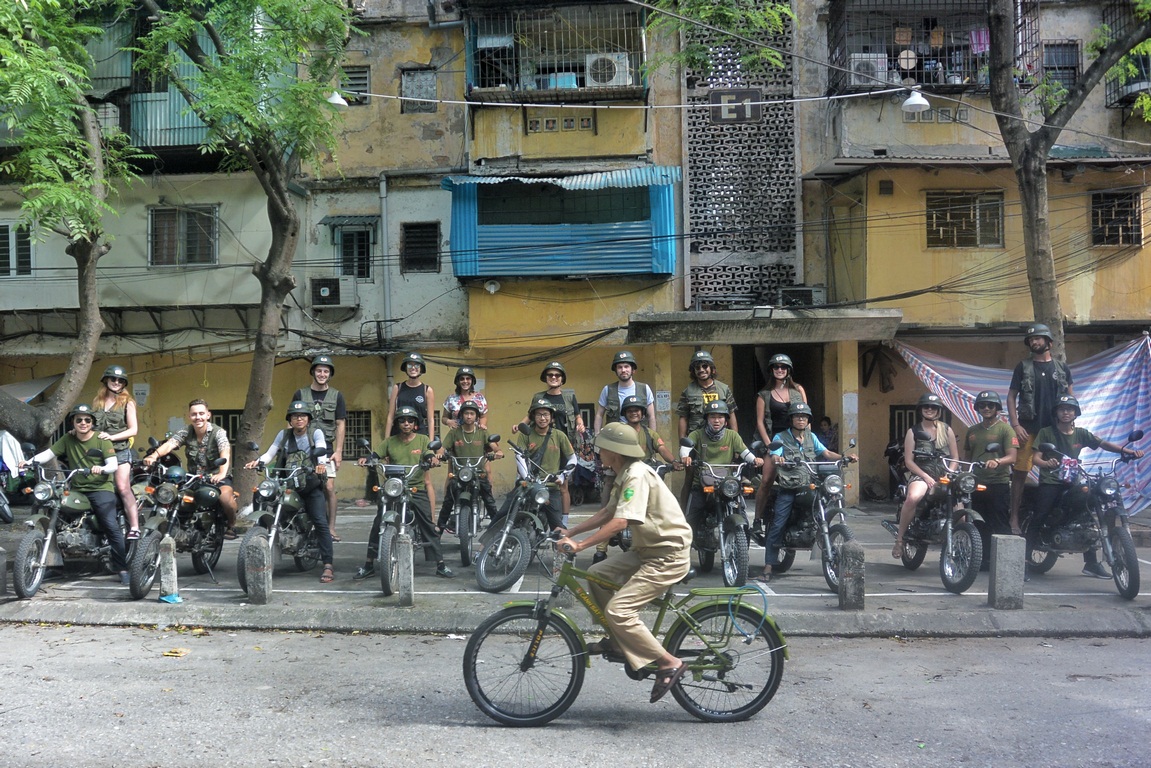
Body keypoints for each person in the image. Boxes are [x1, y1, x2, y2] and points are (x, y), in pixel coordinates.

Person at [555, 422, 692, 704]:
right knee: (596, 573)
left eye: (601, 448)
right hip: (648, 550)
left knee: (619, 611)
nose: (598, 453)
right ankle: (619, 641)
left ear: (614, 451)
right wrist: (570, 532)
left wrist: (580, 546)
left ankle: (668, 663)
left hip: (668, 554)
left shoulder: (637, 475)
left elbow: (620, 521)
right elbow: (608, 512)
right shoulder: (624, 473)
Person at [1031, 396, 1142, 579]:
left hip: (1072, 481)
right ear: (1056, 413)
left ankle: (1091, 564)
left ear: (1076, 413)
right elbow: (1036, 458)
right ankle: (1024, 560)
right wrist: (1045, 462)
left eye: (1070, 409)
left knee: (1087, 515)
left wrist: (1126, 451)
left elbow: (1102, 443)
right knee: (1041, 514)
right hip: (1051, 481)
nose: (1066, 412)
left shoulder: (1081, 433)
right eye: (1062, 409)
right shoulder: (1046, 432)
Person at [23, 404, 127, 584]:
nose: (83, 423)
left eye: (87, 420)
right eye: (79, 419)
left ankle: (122, 567)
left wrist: (100, 469)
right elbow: (48, 454)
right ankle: (54, 566)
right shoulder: (67, 439)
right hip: (78, 488)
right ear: (73, 422)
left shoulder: (102, 440)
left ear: (92, 422)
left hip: (101, 488)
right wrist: (27, 462)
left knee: (109, 524)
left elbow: (113, 465)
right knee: (55, 515)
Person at [354, 405, 453, 579]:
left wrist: (432, 460)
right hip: (394, 487)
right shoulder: (390, 441)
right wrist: (367, 459)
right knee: (379, 522)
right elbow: (375, 455)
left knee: (428, 524)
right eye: (402, 420)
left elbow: (429, 454)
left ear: (415, 424)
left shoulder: (422, 440)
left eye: (410, 421)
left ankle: (440, 564)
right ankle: (369, 564)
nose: (406, 423)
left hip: (415, 487)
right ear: (398, 423)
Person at [759, 402, 854, 582]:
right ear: (791, 419)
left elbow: (825, 453)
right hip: (790, 486)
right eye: (797, 416)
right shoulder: (781, 437)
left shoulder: (811, 437)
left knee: (824, 501)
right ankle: (768, 566)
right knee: (778, 523)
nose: (801, 419)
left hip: (810, 483)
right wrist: (778, 457)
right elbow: (775, 453)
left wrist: (844, 457)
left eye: (804, 416)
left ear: (808, 420)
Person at [244, 401, 334, 583]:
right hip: (287, 483)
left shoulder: (314, 433)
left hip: (309, 484)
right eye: (294, 416)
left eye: (302, 416)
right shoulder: (284, 435)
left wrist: (321, 464)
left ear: (308, 419)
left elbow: (321, 449)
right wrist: (258, 461)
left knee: (320, 521)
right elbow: (270, 453)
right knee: (262, 497)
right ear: (290, 420)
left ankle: (328, 564)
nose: (298, 419)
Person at [591, 395, 682, 564]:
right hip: (621, 475)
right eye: (630, 410)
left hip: (645, 475)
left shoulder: (650, 433)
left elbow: (661, 448)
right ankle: (600, 550)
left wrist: (674, 461)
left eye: (637, 410)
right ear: (625, 413)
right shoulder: (620, 432)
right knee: (609, 510)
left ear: (642, 413)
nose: (634, 413)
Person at [1007, 323, 1073, 535]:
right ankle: (1014, 517)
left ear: (1049, 342)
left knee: (1062, 471)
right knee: (1020, 473)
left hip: (1055, 430)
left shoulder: (1061, 368)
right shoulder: (1023, 366)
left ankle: (1058, 516)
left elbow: (1071, 398)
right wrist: (1015, 424)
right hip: (1027, 429)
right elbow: (1011, 396)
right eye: (1031, 340)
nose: (1034, 342)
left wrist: (1070, 423)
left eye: (1038, 338)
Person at [143, 399, 239, 537]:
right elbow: (171, 444)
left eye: (201, 413)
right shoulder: (186, 431)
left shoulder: (218, 432)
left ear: (208, 415)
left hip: (216, 476)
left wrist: (222, 473)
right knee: (175, 496)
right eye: (194, 414)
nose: (198, 417)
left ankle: (231, 525)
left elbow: (225, 451)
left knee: (224, 498)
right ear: (189, 416)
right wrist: (154, 456)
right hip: (193, 478)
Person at [681, 400, 763, 540]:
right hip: (702, 482)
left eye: (720, 417)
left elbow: (744, 452)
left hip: (726, 481)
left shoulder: (732, 435)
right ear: (707, 419)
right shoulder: (697, 434)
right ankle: (686, 545)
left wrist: (754, 459)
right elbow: (685, 447)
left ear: (725, 420)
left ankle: (742, 542)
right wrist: (685, 457)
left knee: (740, 509)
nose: (716, 420)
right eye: (712, 417)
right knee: (692, 516)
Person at [892, 393, 958, 559]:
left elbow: (955, 457)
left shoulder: (947, 430)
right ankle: (899, 539)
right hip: (922, 475)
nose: (929, 409)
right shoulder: (913, 432)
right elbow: (909, 461)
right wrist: (926, 477)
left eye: (933, 407)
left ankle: (959, 546)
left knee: (961, 510)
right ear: (920, 409)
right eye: (926, 406)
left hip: (944, 475)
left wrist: (950, 473)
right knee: (913, 497)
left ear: (938, 410)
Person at [521, 361, 586, 522]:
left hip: (562, 445)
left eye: (557, 375)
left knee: (562, 485)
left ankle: (563, 521)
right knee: (535, 480)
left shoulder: (569, 397)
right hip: (541, 445)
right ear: (546, 378)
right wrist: (519, 425)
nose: (554, 377)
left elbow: (577, 415)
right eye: (550, 375)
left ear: (562, 379)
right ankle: (536, 515)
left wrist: (580, 423)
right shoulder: (539, 397)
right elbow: (530, 416)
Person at [753, 353, 807, 534]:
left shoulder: (798, 390)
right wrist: (770, 446)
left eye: (783, 367)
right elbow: (760, 422)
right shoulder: (764, 394)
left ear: (789, 370)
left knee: (806, 479)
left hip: (795, 440)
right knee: (767, 480)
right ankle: (757, 519)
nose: (780, 370)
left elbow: (807, 416)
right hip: (774, 440)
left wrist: (806, 441)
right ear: (771, 370)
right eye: (776, 367)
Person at [293, 355, 346, 542]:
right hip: (303, 449)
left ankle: (330, 528)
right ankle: (304, 525)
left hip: (327, 449)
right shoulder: (300, 394)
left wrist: (338, 451)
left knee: (328, 486)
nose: (322, 374)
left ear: (330, 374)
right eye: (319, 370)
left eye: (326, 371)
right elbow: (292, 421)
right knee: (301, 485)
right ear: (313, 372)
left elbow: (340, 424)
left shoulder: (337, 395)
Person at [676, 350, 738, 507]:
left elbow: (731, 415)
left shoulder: (723, 389)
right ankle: (684, 515)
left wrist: (735, 443)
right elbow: (683, 417)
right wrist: (683, 445)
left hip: (720, 442)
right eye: (697, 367)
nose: (701, 370)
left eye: (705, 366)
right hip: (696, 442)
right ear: (693, 371)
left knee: (725, 477)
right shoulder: (688, 391)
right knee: (690, 480)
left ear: (712, 369)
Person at [508, 398, 577, 530]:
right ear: (533, 416)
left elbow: (572, 458)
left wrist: (563, 476)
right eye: (538, 414)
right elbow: (519, 456)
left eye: (546, 414)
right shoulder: (525, 434)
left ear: (551, 417)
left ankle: (566, 549)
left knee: (558, 528)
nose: (542, 418)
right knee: (506, 516)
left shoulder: (559, 435)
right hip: (528, 486)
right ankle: (488, 546)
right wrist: (527, 477)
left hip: (550, 487)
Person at [91, 364, 141, 540]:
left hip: (119, 451)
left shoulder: (128, 403)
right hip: (98, 453)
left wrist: (112, 437)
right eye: (113, 379)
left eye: (120, 380)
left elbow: (133, 430)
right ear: (106, 380)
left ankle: (134, 526)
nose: (116, 382)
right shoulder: (97, 402)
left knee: (122, 487)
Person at [436, 401, 502, 531]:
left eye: (472, 413)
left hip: (478, 472)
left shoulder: (482, 432)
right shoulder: (455, 432)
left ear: (477, 416)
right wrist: (438, 455)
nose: (469, 416)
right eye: (466, 413)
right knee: (449, 499)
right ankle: (440, 527)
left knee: (489, 499)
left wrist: (498, 452)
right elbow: (443, 448)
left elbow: (494, 445)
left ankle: (498, 528)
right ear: (461, 415)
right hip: (459, 473)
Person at [385, 351, 437, 513]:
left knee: (425, 480)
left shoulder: (427, 390)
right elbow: (390, 417)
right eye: (410, 365)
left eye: (416, 365)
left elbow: (430, 419)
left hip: (419, 438)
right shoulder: (398, 388)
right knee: (394, 478)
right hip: (398, 437)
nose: (413, 368)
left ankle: (431, 520)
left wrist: (430, 446)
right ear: (405, 368)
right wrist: (386, 443)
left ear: (421, 369)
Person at [964, 390, 1018, 537]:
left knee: (1000, 523)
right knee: (978, 525)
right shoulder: (972, 431)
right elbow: (967, 459)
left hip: (998, 483)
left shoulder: (1006, 430)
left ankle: (1004, 559)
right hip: (976, 484)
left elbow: (1012, 457)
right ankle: (982, 559)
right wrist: (965, 476)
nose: (986, 408)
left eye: (990, 405)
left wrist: (997, 461)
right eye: (982, 405)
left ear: (997, 407)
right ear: (978, 408)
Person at [594, 351, 655, 433]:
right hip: (615, 436)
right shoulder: (608, 389)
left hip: (639, 436)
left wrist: (652, 438)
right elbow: (599, 415)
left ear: (632, 369)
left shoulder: (644, 389)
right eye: (620, 367)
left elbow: (651, 416)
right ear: (615, 370)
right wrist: (597, 435)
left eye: (626, 366)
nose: (623, 370)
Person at [441, 366, 488, 431]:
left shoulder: (480, 398)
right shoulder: (451, 399)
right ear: (458, 381)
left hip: (475, 435)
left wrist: (482, 425)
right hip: (456, 437)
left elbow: (483, 417)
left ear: (472, 381)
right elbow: (444, 418)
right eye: (462, 379)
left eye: (468, 378)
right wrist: (448, 421)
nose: (465, 381)